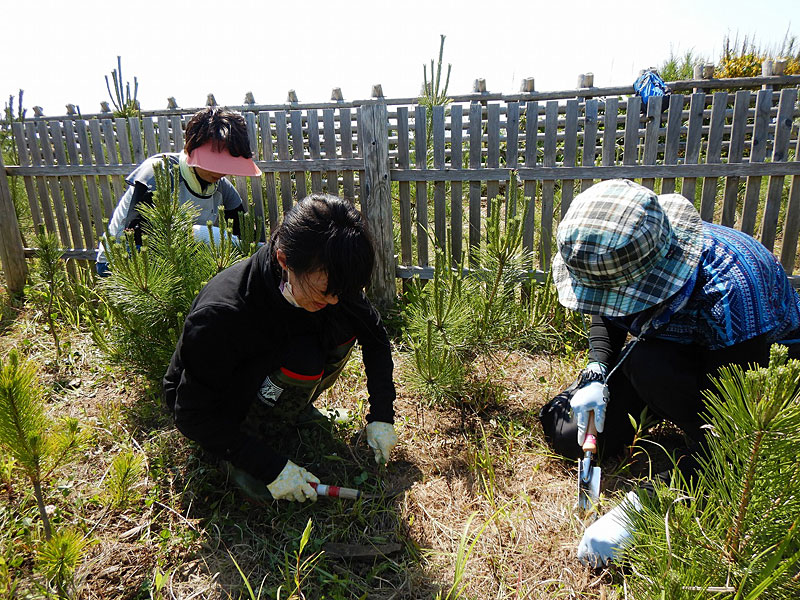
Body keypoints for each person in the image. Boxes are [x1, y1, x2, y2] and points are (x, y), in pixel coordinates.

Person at [538, 179, 800, 566]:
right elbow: (607, 308)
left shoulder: (730, 290)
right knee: (568, 435)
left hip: (749, 370)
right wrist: (596, 371)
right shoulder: (626, 261)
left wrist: (646, 503)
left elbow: (738, 421)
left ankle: (688, 454)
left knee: (657, 373)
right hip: (660, 353)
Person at [163, 193, 398, 503]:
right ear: (284, 260)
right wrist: (271, 467)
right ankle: (246, 448)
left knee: (339, 331)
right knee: (302, 362)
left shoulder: (332, 279)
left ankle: (292, 411)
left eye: (340, 293)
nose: (333, 301)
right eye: (323, 293)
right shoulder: (222, 314)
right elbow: (191, 413)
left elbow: (375, 336)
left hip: (272, 359)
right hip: (222, 400)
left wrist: (382, 414)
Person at [95, 106, 260, 275]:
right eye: (214, 162)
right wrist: (197, 234)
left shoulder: (222, 188)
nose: (220, 171)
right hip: (121, 261)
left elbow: (246, 235)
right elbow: (136, 232)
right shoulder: (159, 172)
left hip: (175, 262)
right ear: (190, 148)